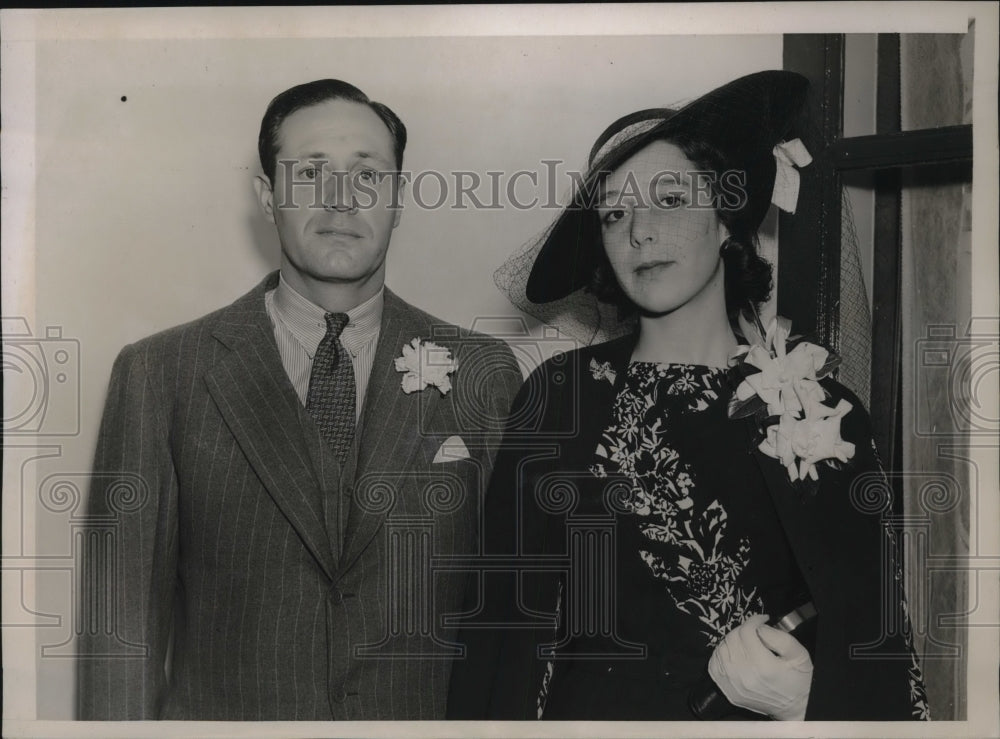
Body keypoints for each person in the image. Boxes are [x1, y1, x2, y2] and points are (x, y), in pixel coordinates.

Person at [447, 70, 929, 721]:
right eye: (614, 213)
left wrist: (807, 701)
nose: (640, 231)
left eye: (670, 199)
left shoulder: (817, 408)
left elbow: (876, 644)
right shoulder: (559, 396)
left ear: (728, 218)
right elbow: (496, 634)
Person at [77, 78, 521, 720]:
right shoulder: (160, 373)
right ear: (268, 196)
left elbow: (513, 621)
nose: (341, 200)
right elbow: (119, 639)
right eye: (311, 173)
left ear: (399, 200)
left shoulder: (484, 370)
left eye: (367, 176)